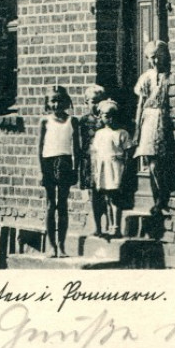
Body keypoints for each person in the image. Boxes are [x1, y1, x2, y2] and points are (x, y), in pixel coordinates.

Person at [38, 85, 80, 258]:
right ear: (48, 103)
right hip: (48, 162)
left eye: (60, 100)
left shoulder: (72, 121)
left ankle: (62, 246)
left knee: (62, 205)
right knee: (50, 205)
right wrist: (41, 171)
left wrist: (75, 168)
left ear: (66, 101)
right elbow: (39, 147)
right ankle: (51, 246)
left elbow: (76, 147)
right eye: (53, 101)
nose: (57, 104)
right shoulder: (44, 121)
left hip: (65, 163)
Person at [134, 40, 172, 216]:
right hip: (148, 119)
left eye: (158, 57)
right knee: (151, 161)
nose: (155, 61)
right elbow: (140, 104)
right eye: (151, 58)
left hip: (163, 119)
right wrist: (137, 129)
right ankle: (156, 197)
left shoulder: (169, 77)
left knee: (161, 161)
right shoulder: (146, 77)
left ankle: (162, 198)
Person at [90, 99, 133, 238]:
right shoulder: (100, 133)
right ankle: (110, 225)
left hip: (115, 167)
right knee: (107, 198)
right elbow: (95, 153)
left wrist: (125, 169)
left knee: (115, 197)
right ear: (101, 116)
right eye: (107, 115)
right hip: (103, 167)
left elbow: (128, 153)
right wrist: (96, 171)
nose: (110, 119)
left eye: (113, 115)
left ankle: (116, 227)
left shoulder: (122, 133)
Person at [78, 84, 106, 236]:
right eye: (93, 101)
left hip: (105, 160)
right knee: (94, 193)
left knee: (107, 191)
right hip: (90, 161)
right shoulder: (83, 121)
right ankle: (98, 226)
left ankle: (109, 224)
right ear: (86, 102)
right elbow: (80, 144)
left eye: (99, 101)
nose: (96, 105)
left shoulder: (107, 119)